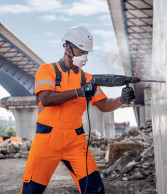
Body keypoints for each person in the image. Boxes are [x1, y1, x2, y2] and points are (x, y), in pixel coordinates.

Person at [20, 26, 135, 194]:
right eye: (81, 52)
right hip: (47, 139)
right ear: (68, 48)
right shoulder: (47, 70)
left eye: (87, 53)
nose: (85, 56)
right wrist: (79, 92)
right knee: (31, 190)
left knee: (94, 189)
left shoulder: (87, 78)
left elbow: (104, 104)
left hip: (75, 140)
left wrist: (121, 100)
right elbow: (46, 98)